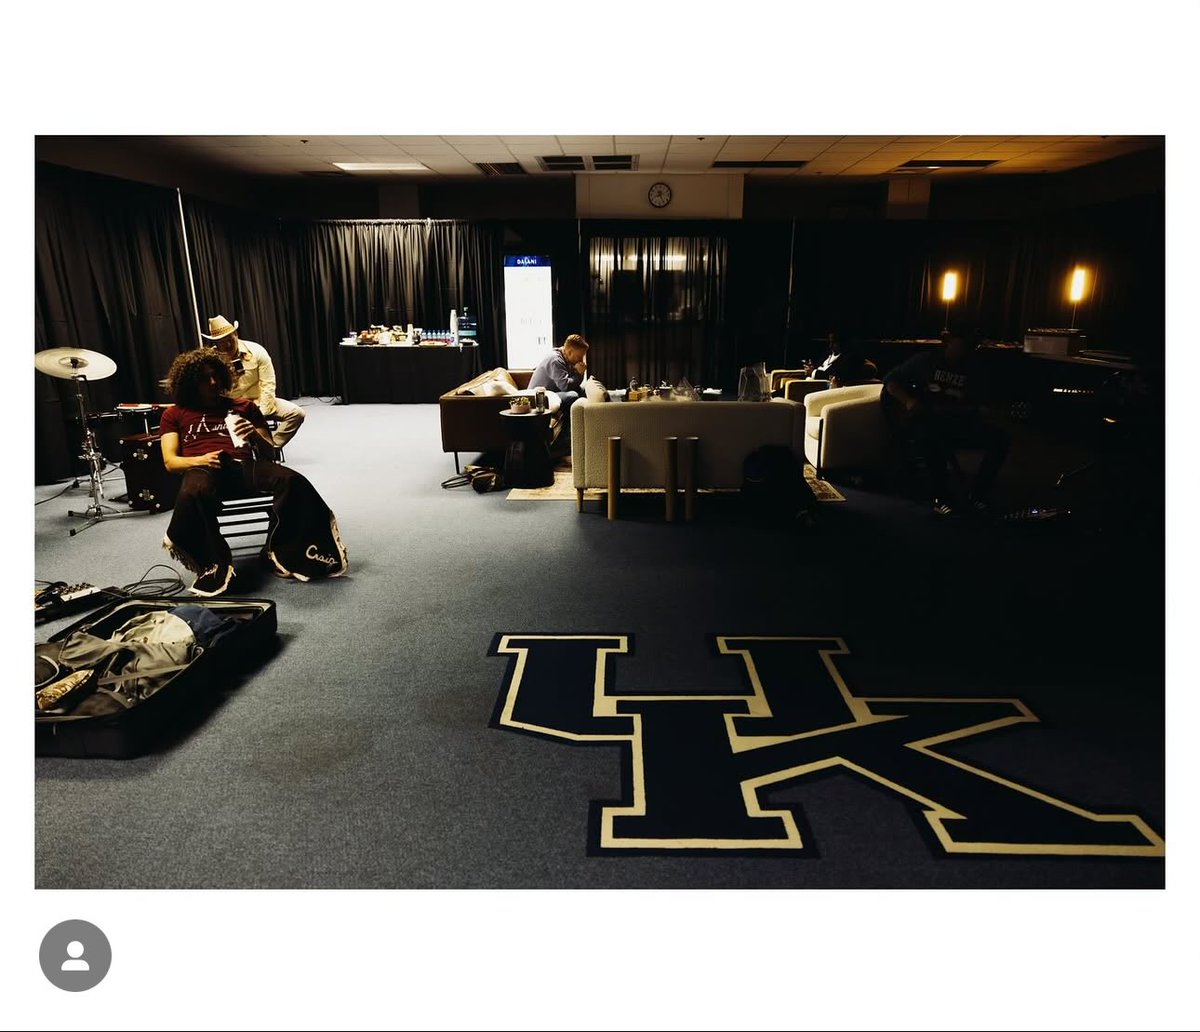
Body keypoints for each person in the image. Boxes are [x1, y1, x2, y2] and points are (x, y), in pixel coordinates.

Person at [159, 348, 348, 596]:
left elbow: (271, 453)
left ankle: (282, 548)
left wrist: (255, 436)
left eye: (216, 375)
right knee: (193, 492)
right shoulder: (174, 414)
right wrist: (201, 459)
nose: (213, 382)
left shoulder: (244, 406)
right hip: (202, 468)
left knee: (292, 480)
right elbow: (171, 462)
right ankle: (213, 563)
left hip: (243, 467)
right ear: (191, 382)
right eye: (205, 378)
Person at [880, 330, 1009, 516]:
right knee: (931, 435)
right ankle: (940, 497)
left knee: (1001, 439)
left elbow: (975, 404)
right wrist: (908, 401)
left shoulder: (973, 370)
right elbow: (890, 381)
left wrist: (983, 412)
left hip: (956, 424)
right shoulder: (925, 361)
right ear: (948, 343)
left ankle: (978, 494)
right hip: (924, 424)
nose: (963, 351)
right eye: (960, 346)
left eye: (968, 348)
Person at [201, 315, 305, 449]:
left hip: (258, 402)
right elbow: (213, 392)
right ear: (216, 343)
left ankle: (271, 447)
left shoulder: (256, 351)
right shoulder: (211, 360)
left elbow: (268, 384)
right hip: (230, 406)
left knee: (297, 414)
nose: (227, 345)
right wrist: (230, 378)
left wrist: (260, 414)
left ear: (236, 334)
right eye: (221, 342)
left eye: (229, 339)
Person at [529, 333, 590, 421]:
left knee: (584, 389)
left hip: (553, 391)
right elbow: (565, 386)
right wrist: (579, 374)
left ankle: (585, 422)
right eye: (579, 356)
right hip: (540, 398)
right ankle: (568, 431)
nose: (581, 360)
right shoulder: (556, 360)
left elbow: (570, 382)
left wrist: (578, 373)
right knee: (572, 395)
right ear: (570, 352)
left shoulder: (566, 356)